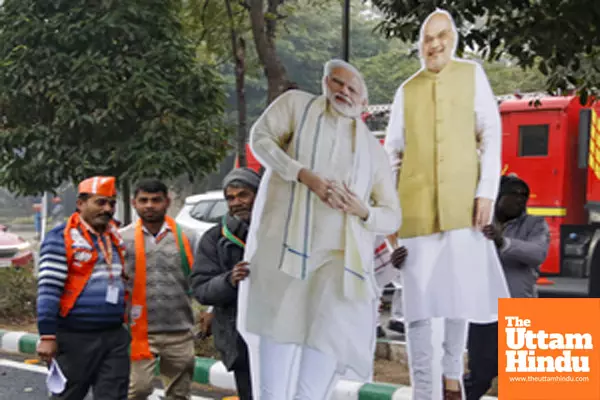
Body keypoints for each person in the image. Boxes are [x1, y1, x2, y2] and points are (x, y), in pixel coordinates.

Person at [238, 59, 401, 400]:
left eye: (353, 88)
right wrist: (303, 175)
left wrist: (363, 210)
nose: (344, 91)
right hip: (284, 256)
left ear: (364, 101)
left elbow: (392, 216)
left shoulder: (373, 151)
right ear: (326, 82)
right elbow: (261, 139)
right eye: (338, 83)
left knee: (315, 379)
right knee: (272, 379)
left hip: (336, 267)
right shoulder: (297, 107)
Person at [384, 8, 510, 400]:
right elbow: (392, 153)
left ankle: (452, 379)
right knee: (421, 310)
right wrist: (390, 211)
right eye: (427, 38)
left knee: (458, 299)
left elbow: (490, 132)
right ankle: (425, 390)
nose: (433, 44)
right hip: (416, 212)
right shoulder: (407, 89)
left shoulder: (472, 75)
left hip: (463, 207)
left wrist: (486, 191)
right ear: (419, 45)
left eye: (441, 36)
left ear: (452, 40)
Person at [36, 176, 130, 399]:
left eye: (111, 203)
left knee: (114, 396)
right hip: (74, 336)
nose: (107, 209)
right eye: (100, 202)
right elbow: (49, 290)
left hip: (114, 335)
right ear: (81, 204)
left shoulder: (115, 237)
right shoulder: (61, 238)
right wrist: (47, 336)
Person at [464, 175, 550, 399]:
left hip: (519, 308)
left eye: (524, 196)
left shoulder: (535, 225)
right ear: (498, 196)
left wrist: (503, 242)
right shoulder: (477, 223)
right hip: (484, 311)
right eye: (514, 195)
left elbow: (537, 253)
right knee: (481, 373)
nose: (520, 200)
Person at [120, 179, 197, 400]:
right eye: (143, 200)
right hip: (140, 332)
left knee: (179, 394)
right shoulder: (122, 239)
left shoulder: (187, 237)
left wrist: (209, 310)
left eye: (156, 200)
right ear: (134, 203)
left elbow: (201, 277)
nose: (150, 205)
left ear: (167, 202)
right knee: (138, 390)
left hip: (180, 330)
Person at [191, 167, 261, 400]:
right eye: (230, 198)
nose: (237, 202)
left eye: (243, 195)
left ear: (258, 195)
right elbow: (201, 288)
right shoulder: (215, 238)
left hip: (279, 336)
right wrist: (229, 280)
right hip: (239, 339)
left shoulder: (281, 233)